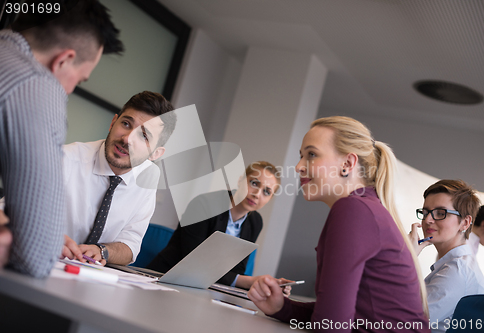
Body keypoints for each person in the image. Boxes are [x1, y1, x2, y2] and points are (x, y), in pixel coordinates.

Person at [248, 116, 429, 332]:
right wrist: (281, 307)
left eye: (311, 154)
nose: (298, 167)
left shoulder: (354, 210)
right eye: (301, 156)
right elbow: (343, 313)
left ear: (347, 164)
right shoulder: (364, 207)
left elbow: (331, 324)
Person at [0, 0, 123, 277]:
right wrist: (39, 237)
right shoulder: (35, 84)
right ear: (64, 60)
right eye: (79, 81)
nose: (68, 93)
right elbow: (36, 255)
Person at [61, 91, 176, 266]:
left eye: (144, 136)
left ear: (156, 153)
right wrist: (49, 237)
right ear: (113, 122)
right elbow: (5, 211)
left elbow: (131, 245)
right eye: (126, 124)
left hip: (93, 278)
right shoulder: (65, 158)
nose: (127, 139)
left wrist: (103, 251)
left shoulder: (149, 176)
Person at [147, 161, 289, 290]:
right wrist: (248, 282)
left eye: (266, 191)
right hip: (166, 280)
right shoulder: (203, 204)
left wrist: (266, 287)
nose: (257, 194)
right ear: (241, 180)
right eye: (254, 183)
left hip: (209, 288)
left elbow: (238, 269)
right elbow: (194, 261)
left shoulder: (255, 222)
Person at [410, 180, 484, 333]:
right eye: (425, 212)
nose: (427, 220)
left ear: (465, 223)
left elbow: (403, 324)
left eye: (441, 213)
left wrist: (406, 257)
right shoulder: (455, 264)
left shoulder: (456, 271)